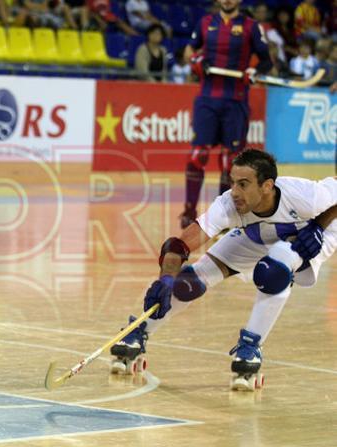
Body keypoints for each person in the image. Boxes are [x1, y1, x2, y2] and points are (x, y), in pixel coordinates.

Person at [110, 149, 337, 390]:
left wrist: (319, 225)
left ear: (267, 186)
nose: (235, 192)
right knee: (188, 283)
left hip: (307, 235)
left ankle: (251, 347)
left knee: (274, 272)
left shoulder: (306, 196)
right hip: (256, 235)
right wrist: (166, 280)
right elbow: (179, 245)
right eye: (233, 183)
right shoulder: (229, 203)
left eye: (243, 184)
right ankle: (139, 331)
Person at [179, 0, 272, 229]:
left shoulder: (251, 26)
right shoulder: (205, 23)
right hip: (207, 100)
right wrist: (195, 60)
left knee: (230, 163)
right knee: (197, 156)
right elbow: (189, 52)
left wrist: (255, 71)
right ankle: (189, 211)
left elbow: (267, 61)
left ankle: (224, 215)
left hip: (236, 102)